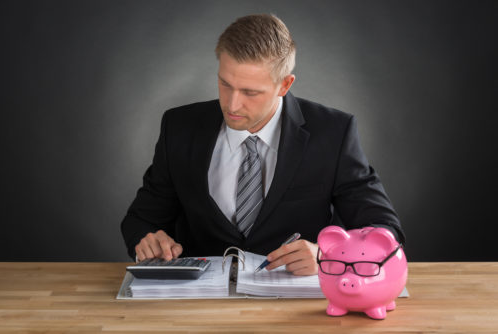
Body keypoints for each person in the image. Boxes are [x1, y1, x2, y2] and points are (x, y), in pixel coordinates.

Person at [121, 14, 405, 276]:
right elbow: (140, 220)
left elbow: (385, 231)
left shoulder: (333, 132)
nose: (232, 105)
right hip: (196, 306)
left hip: (297, 311)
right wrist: (146, 241)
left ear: (285, 85)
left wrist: (329, 256)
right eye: (225, 84)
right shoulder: (179, 127)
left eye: (250, 92)